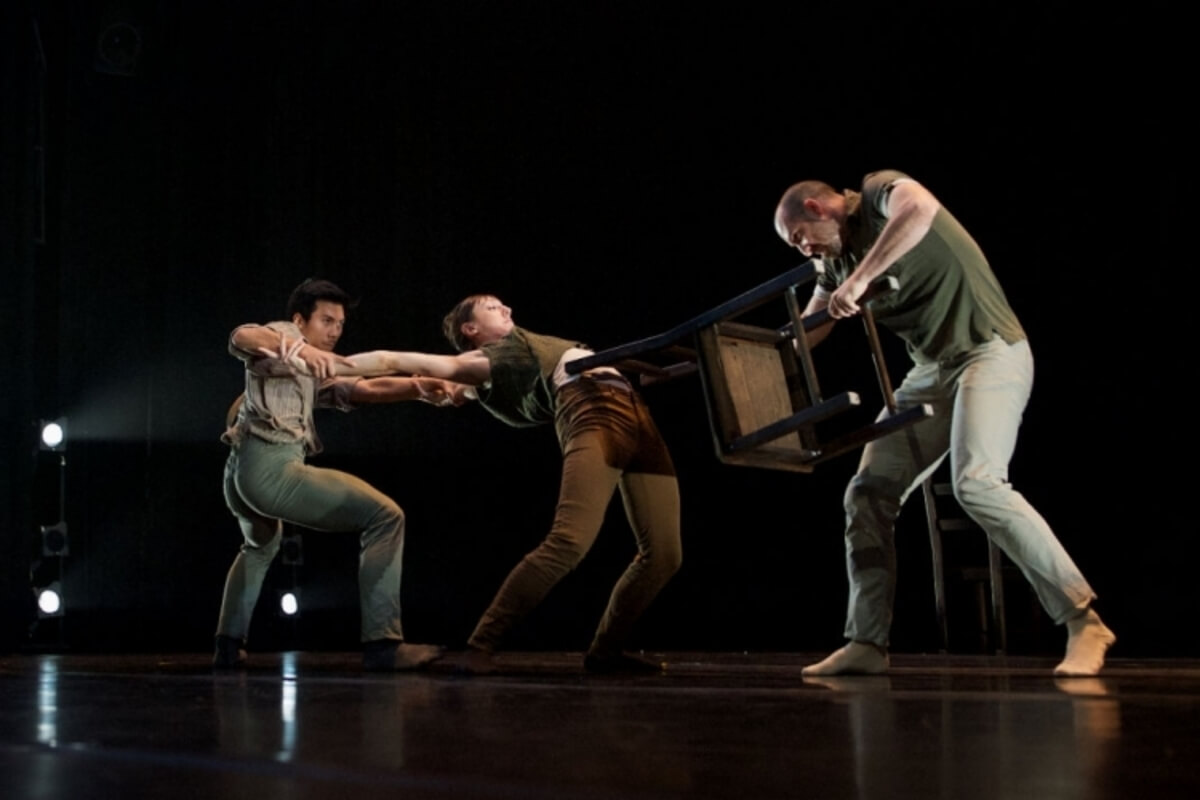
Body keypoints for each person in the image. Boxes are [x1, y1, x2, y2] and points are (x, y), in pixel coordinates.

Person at [773, 170, 1115, 677]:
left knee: (976, 483)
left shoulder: (878, 192)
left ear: (818, 208)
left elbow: (920, 209)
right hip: (931, 371)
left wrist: (860, 279)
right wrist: (743, 354)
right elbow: (808, 329)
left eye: (800, 238)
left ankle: (1083, 620)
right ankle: (866, 641)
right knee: (866, 493)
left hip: (988, 350)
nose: (805, 251)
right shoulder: (833, 264)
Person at [350, 295, 682, 674]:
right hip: (594, 411)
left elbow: (462, 389)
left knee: (665, 555)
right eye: (492, 308)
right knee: (568, 542)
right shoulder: (487, 359)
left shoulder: (516, 357)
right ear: (470, 329)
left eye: (504, 305)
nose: (506, 309)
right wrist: (338, 365)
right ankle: (481, 645)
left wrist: (453, 391)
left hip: (638, 416)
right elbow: (396, 360)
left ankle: (606, 651)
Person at [214, 278, 457, 671]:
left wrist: (418, 387)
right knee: (385, 516)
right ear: (300, 320)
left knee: (260, 547)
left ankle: (227, 645)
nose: (335, 331)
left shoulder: (311, 372)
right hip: (271, 469)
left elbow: (362, 389)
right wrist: (300, 347)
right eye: (326, 321)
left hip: (240, 476)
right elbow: (242, 336)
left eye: (340, 324)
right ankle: (383, 644)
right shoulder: (285, 335)